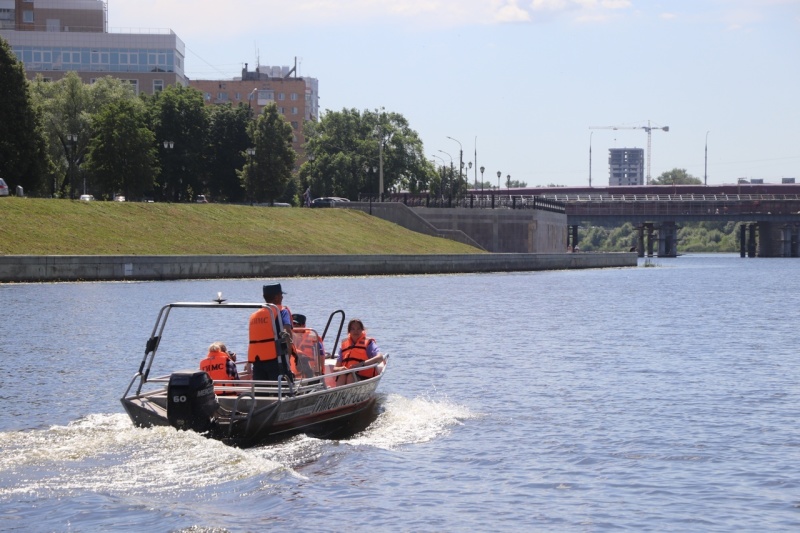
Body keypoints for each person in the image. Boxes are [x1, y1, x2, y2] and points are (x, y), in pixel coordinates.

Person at [247, 283, 294, 382]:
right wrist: (288, 359)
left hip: (258, 361)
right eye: (281, 294)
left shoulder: (254, 315)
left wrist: (248, 363)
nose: (282, 297)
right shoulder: (282, 311)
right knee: (284, 390)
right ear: (276, 297)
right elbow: (287, 334)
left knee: (262, 393)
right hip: (276, 360)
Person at [290, 313, 326, 378]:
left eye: (297, 325)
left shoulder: (313, 338)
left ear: (304, 325)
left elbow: (321, 356)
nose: (294, 328)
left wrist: (318, 373)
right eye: (293, 325)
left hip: (309, 376)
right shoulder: (288, 338)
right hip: (293, 376)